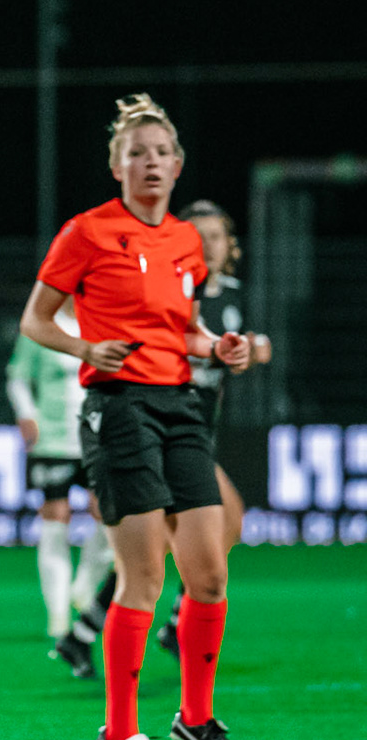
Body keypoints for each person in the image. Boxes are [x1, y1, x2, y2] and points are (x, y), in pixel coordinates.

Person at [18, 94, 253, 740]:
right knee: (143, 576)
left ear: (177, 166)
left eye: (160, 153)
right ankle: (120, 732)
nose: (149, 163)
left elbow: (185, 328)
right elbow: (36, 321)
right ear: (116, 166)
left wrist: (219, 346)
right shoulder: (86, 232)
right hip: (118, 408)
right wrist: (85, 349)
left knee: (208, 574)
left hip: (180, 406)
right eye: (135, 153)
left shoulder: (184, 241)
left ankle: (196, 718)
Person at [153, 199, 272, 655]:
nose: (207, 245)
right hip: (171, 427)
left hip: (201, 430)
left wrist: (254, 349)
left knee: (186, 536)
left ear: (231, 244)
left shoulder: (233, 293)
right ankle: (174, 622)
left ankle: (89, 632)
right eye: (196, 236)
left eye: (216, 236)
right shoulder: (172, 288)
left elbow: (256, 345)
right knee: (201, 528)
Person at [7, 308, 115, 660]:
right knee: (56, 516)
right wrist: (27, 414)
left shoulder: (102, 320)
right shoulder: (42, 325)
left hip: (97, 436)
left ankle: (83, 588)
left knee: (106, 515)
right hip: (53, 439)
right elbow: (18, 376)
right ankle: (56, 613)